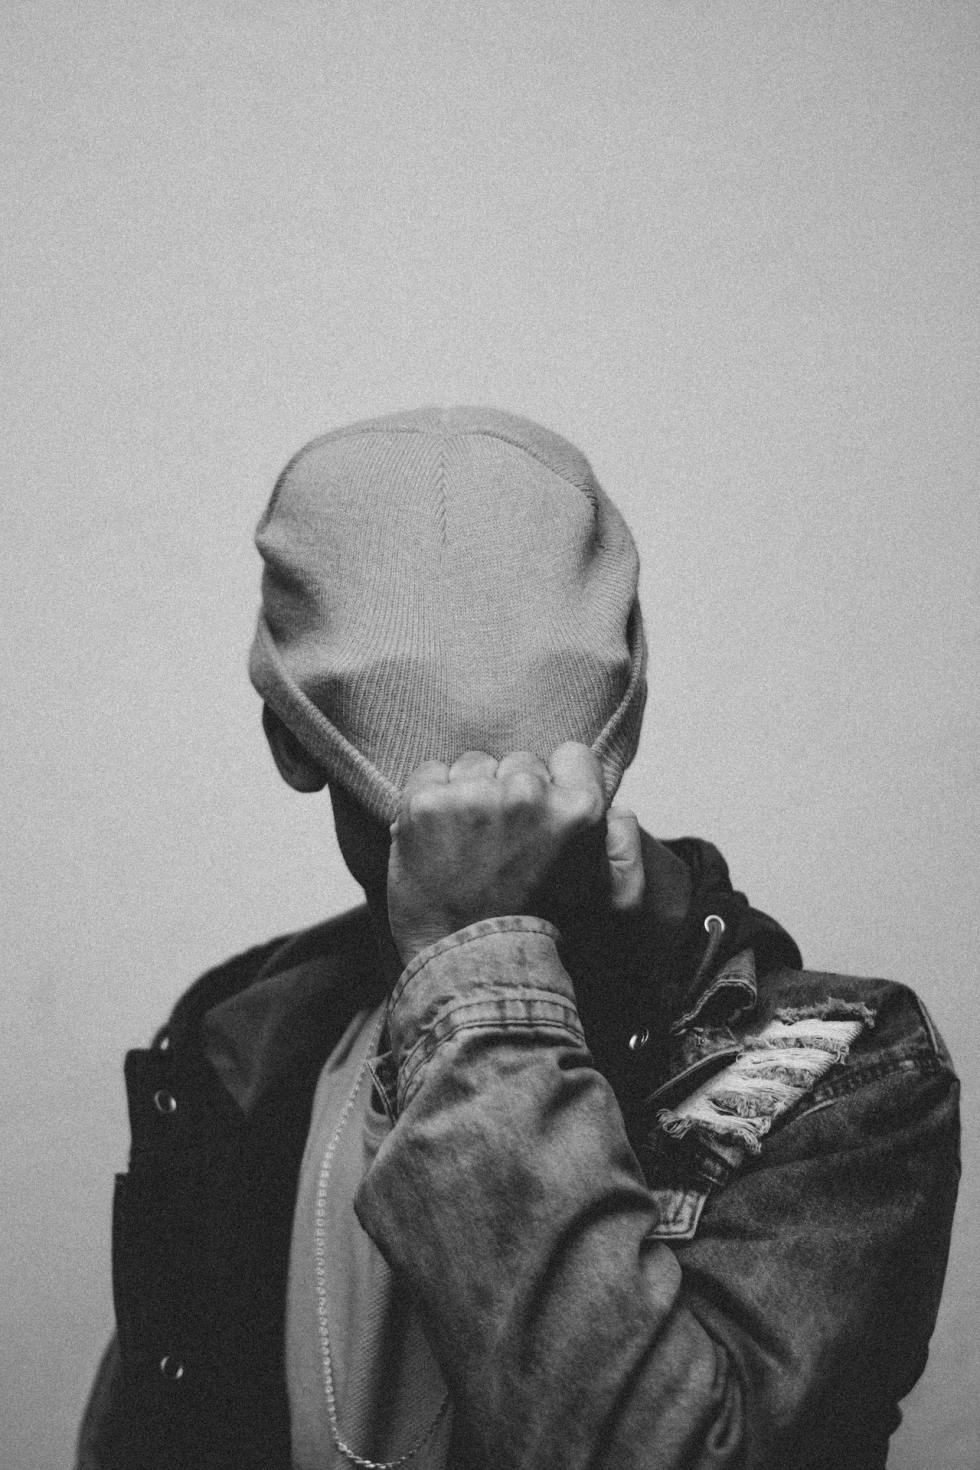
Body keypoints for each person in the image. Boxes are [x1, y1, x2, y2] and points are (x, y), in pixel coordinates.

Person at [77, 407, 960, 1470]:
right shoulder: (244, 1038)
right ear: (623, 720)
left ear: (292, 740)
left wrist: (477, 962)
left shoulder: (835, 1069)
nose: (483, 800)